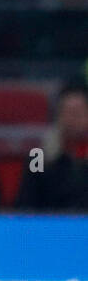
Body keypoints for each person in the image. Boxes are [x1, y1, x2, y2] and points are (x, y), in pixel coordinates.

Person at [16, 81, 88, 211]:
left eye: (78, 112)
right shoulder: (38, 156)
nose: (72, 119)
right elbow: (26, 205)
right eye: (66, 112)